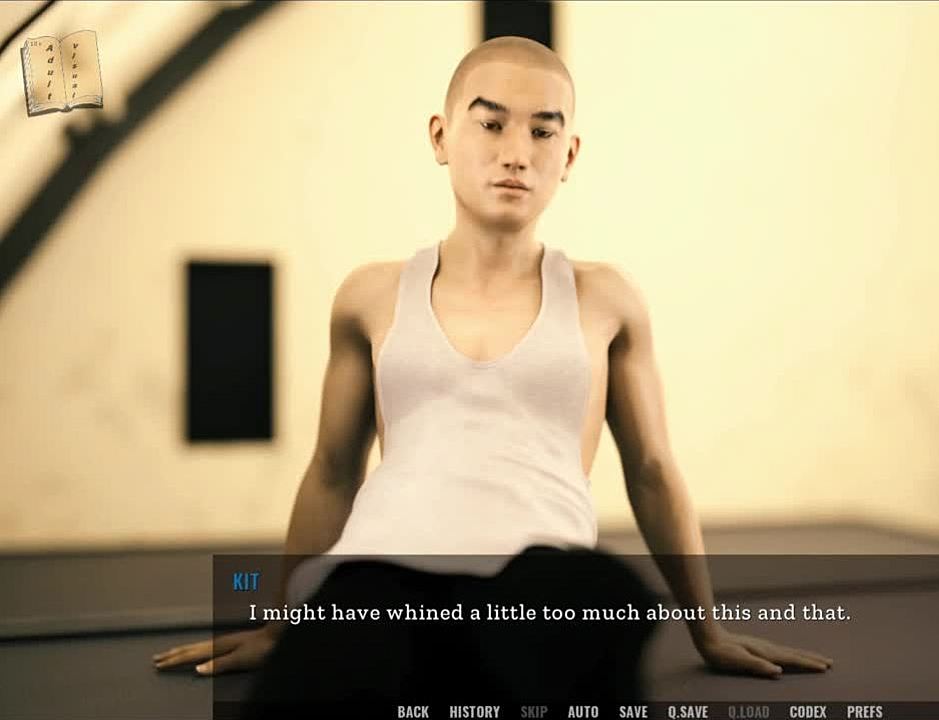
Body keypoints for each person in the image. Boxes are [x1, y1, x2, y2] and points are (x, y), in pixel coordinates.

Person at [152, 35, 834, 705]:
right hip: (383, 577)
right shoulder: (369, 296)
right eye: (491, 124)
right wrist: (281, 627)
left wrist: (708, 630)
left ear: (569, 155)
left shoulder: (606, 300)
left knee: (598, 597)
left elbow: (652, 470)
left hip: (537, 587)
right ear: (441, 137)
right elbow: (332, 471)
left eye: (542, 132)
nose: (516, 153)